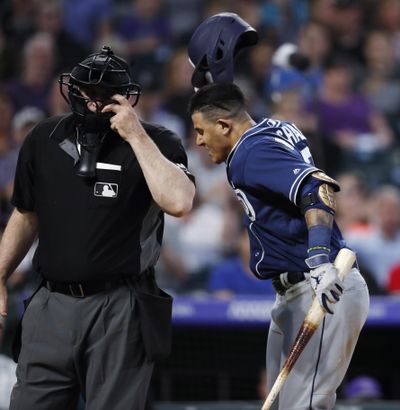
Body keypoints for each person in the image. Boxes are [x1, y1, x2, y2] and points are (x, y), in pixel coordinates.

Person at [0, 45, 195, 410]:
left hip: (119, 305)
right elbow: (26, 214)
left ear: (126, 98)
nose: (93, 103)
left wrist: (136, 136)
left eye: (105, 96)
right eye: (86, 93)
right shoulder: (43, 139)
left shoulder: (158, 142)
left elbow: (180, 202)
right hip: (50, 304)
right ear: (71, 90)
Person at [188, 82, 369, 409]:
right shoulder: (272, 128)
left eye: (201, 130)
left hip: (317, 287)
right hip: (295, 292)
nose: (199, 140)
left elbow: (317, 188)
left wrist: (318, 260)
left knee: (305, 406)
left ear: (224, 126)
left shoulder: (249, 153)